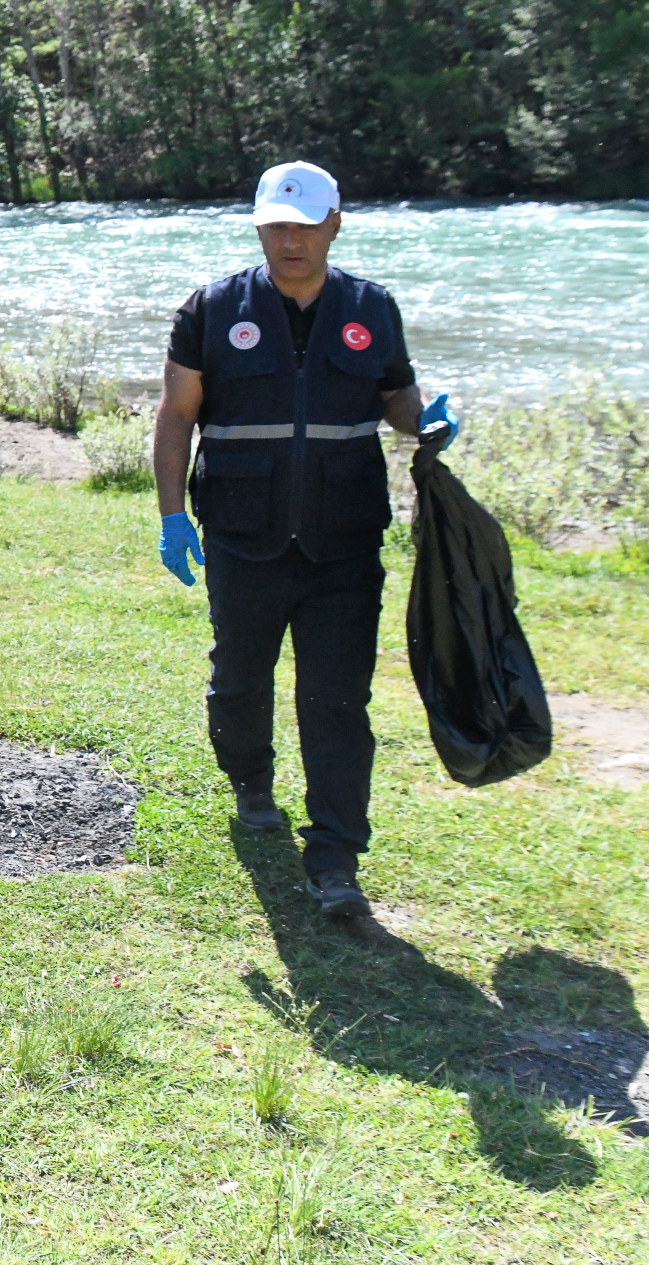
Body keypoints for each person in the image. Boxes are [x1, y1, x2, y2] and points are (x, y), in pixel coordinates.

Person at [151, 161, 457, 922]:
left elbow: (394, 395)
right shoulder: (213, 308)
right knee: (240, 682)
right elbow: (175, 415)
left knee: (338, 701)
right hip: (241, 533)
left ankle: (335, 860)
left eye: (304, 225)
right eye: (275, 226)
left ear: (334, 224)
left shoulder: (371, 308)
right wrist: (170, 515)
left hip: (344, 543)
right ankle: (251, 781)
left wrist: (425, 418)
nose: (289, 240)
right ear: (259, 227)